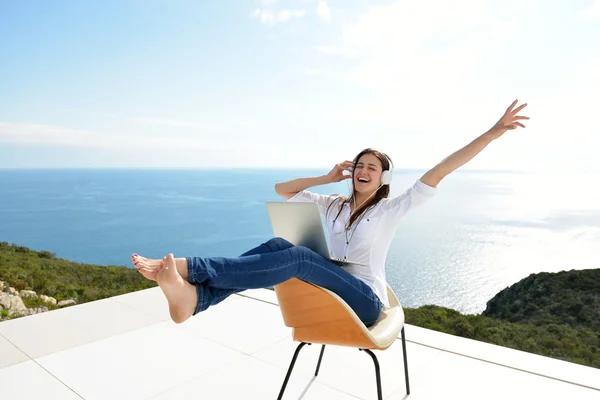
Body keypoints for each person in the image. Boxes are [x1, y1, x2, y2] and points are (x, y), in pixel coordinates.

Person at [131, 100, 529, 326]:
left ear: (383, 178)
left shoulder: (391, 209)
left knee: (301, 258)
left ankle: (188, 269)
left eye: (372, 168)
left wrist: (493, 132)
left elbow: (442, 169)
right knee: (279, 244)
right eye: (359, 165)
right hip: (334, 286)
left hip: (366, 302)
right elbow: (281, 190)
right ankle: (196, 300)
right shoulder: (334, 205)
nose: (362, 171)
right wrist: (326, 176)